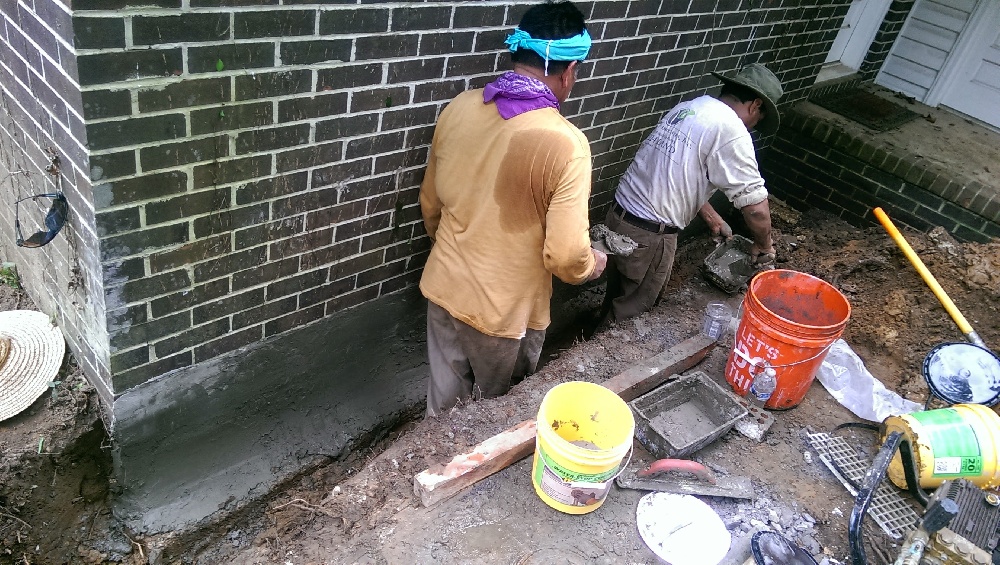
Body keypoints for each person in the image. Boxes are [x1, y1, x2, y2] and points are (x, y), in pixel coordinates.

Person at [419, 1, 607, 417]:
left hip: (444, 285)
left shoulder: (460, 106)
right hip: (502, 315)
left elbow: (430, 204)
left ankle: (434, 468)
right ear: (569, 71)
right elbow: (565, 257)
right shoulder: (566, 144)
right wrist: (591, 264)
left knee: (443, 408)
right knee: (494, 413)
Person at [601, 63, 784, 322]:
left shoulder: (692, 108)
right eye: (759, 119)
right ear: (755, 105)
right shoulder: (731, 130)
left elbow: (674, 175)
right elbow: (755, 207)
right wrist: (764, 245)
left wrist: (711, 217)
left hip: (619, 218)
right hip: (648, 236)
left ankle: (594, 334)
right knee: (630, 316)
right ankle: (602, 360)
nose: (754, 127)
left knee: (617, 296)